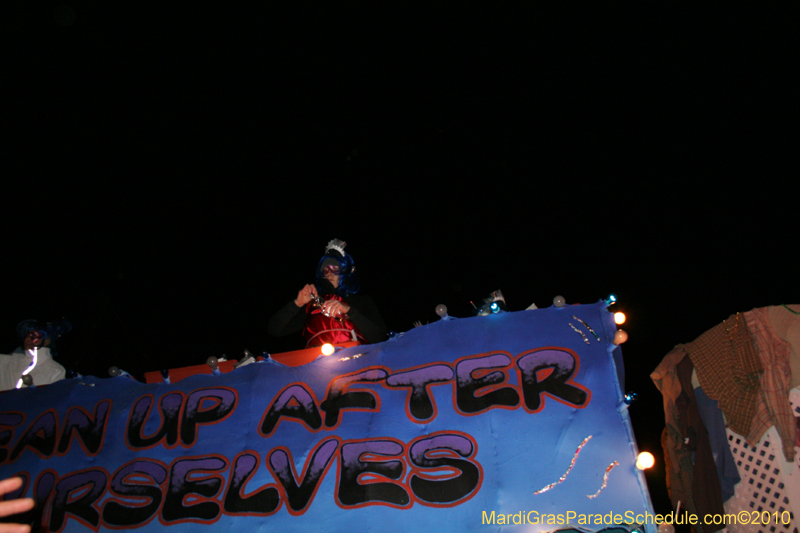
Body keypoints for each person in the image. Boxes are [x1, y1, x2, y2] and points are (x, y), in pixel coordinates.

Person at [268, 239, 386, 347]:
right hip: (319, 365)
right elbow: (274, 329)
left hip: (357, 363)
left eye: (335, 268)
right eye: (325, 270)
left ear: (346, 272)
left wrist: (349, 311)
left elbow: (381, 338)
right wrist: (297, 303)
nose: (329, 273)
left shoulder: (362, 301)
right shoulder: (312, 305)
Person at [0, 319, 70, 392]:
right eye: (26, 336)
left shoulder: (56, 370)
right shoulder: (8, 362)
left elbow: (53, 398)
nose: (27, 340)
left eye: (33, 336)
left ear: (47, 340)